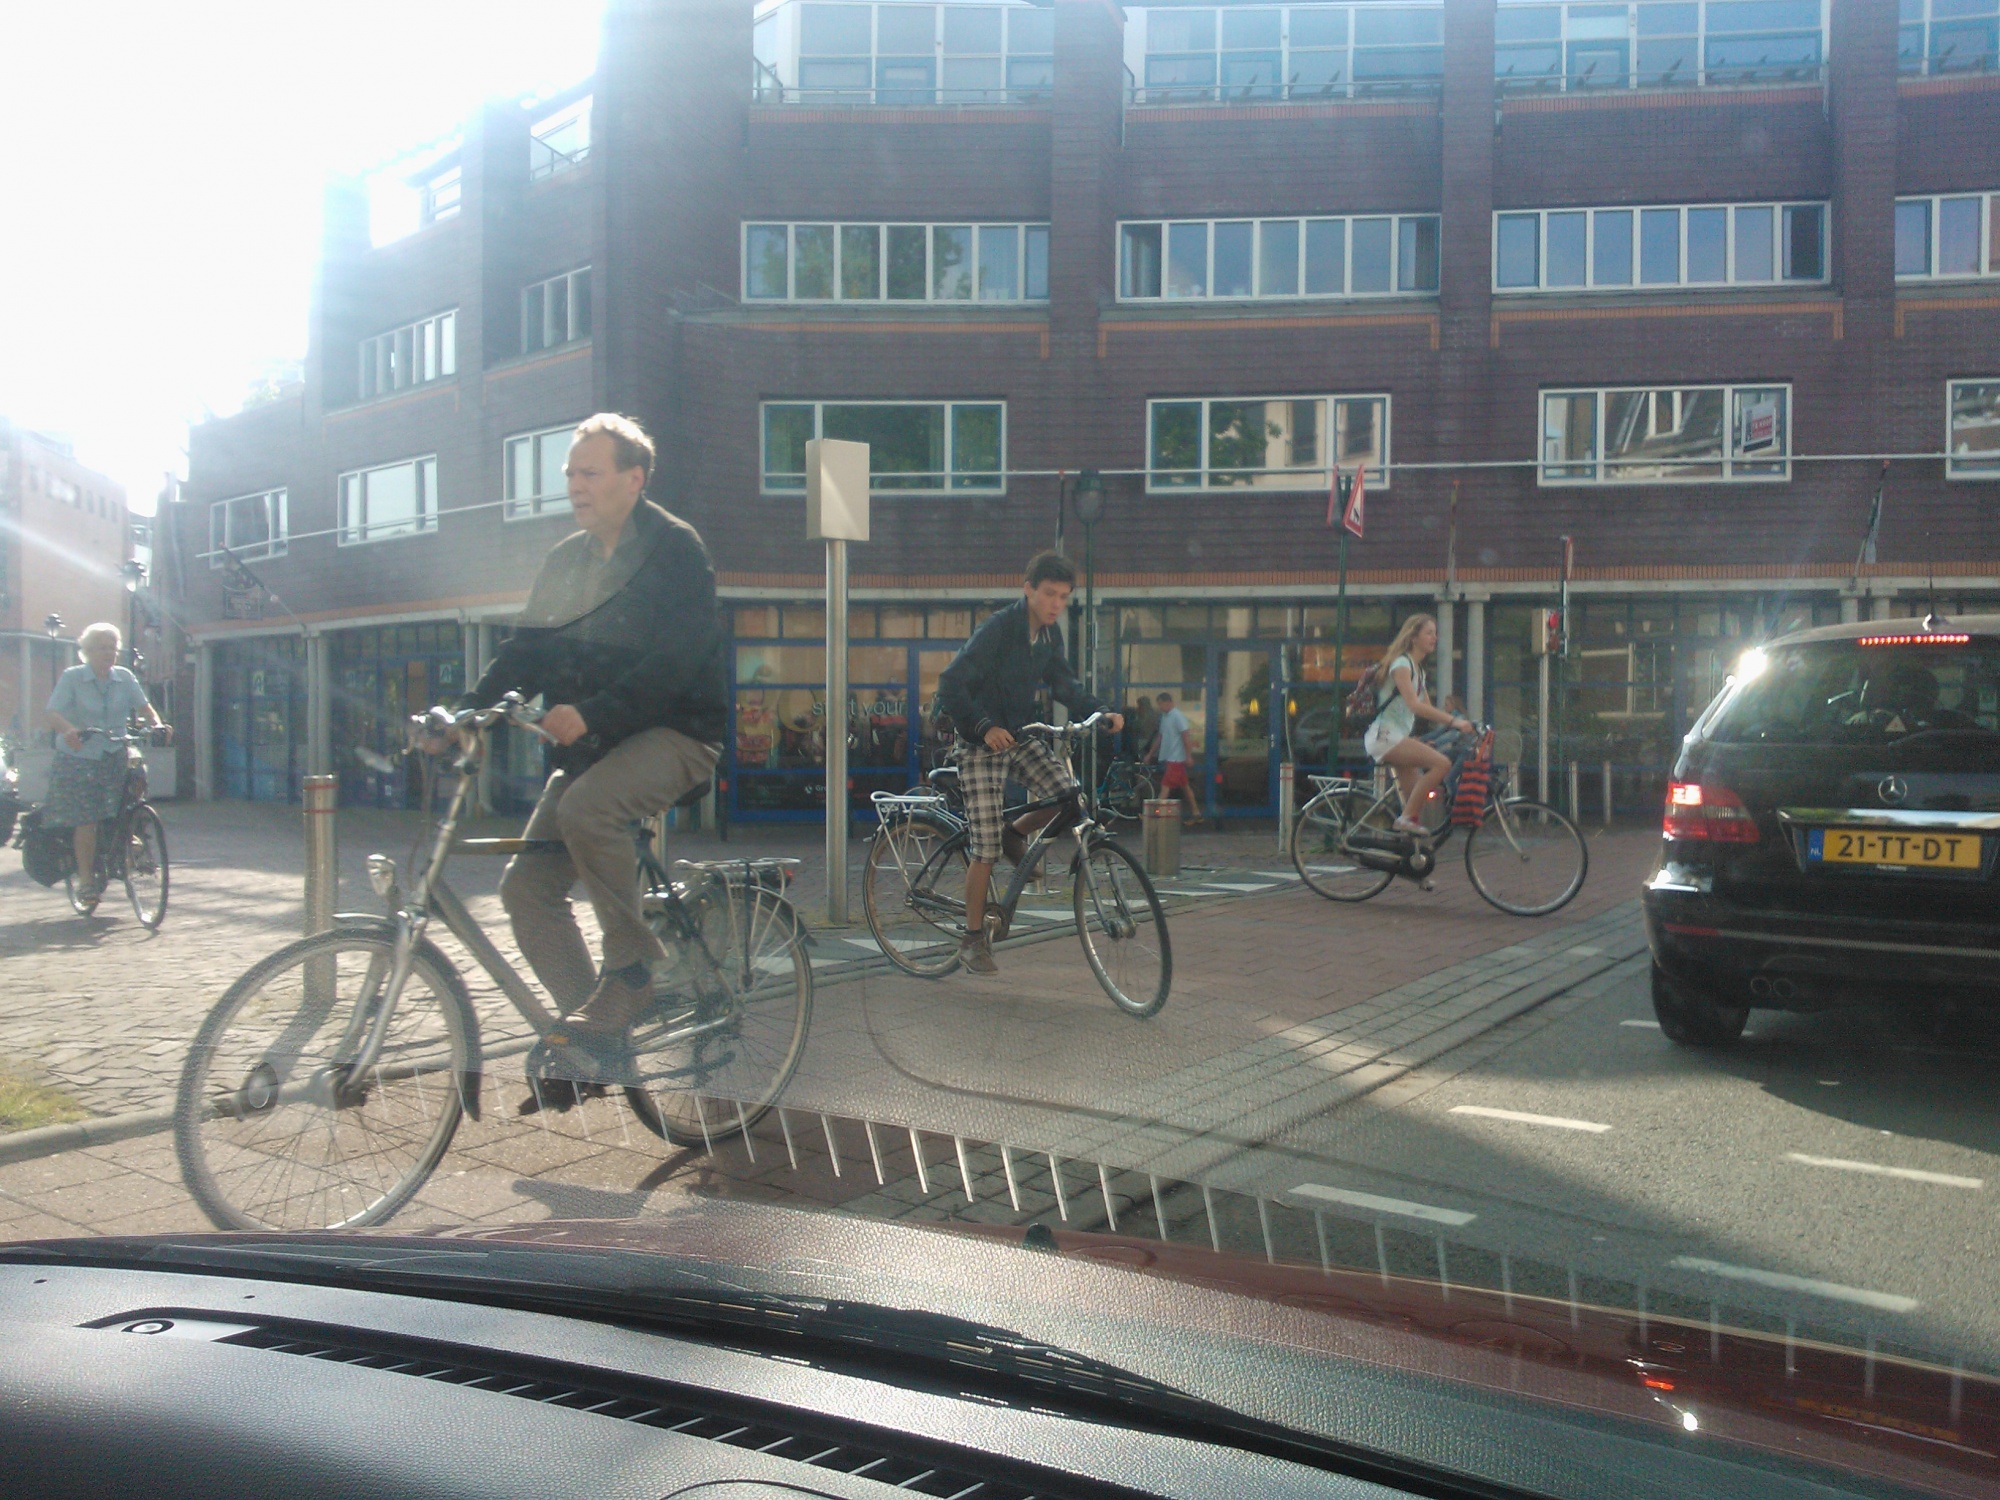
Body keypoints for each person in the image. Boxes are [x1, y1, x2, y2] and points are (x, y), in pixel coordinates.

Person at [454, 413, 729, 1058]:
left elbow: (676, 660)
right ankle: (595, 1034)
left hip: (678, 734)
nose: (575, 485)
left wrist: (594, 711)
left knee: (588, 807)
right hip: (598, 748)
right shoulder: (565, 561)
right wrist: (465, 710)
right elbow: (527, 650)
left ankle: (632, 971)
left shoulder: (675, 548)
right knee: (526, 890)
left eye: (590, 472)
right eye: (570, 474)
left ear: (633, 479)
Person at [936, 552, 1123, 976]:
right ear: (1028, 590)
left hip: (1018, 737)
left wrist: (1102, 711)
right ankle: (971, 939)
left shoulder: (1049, 638)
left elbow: (1065, 685)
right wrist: (983, 727)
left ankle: (1013, 832)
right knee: (982, 846)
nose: (1056, 604)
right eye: (1049, 594)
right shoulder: (1000, 630)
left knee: (1068, 796)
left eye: (1064, 597)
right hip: (980, 742)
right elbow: (951, 683)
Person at [44, 622, 170, 910]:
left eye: (113, 648)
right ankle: (86, 880)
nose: (110, 653)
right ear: (88, 651)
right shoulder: (73, 677)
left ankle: (131, 842)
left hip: (115, 753)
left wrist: (157, 724)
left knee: (126, 805)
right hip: (80, 757)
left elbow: (144, 707)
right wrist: (69, 730)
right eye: (103, 648)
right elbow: (52, 711)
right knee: (87, 817)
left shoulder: (124, 678)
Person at [1363, 613, 1471, 837]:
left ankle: (1410, 854)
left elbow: (1429, 710)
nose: (1434, 638)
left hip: (1396, 736)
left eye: (1435, 633)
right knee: (1442, 764)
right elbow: (1414, 705)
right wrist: (1454, 721)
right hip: (1385, 736)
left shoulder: (1418, 671)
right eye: (1429, 633)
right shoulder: (1402, 664)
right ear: (1414, 637)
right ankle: (1404, 820)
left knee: (1417, 798)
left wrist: (1465, 722)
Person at [1144, 691, 1201, 825]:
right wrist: (1151, 753)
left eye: (1161, 704)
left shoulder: (1178, 717)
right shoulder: (1165, 717)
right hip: (1171, 757)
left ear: (1168, 702)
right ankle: (1196, 812)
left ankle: (1154, 815)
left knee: (1165, 786)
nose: (1159, 707)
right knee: (1185, 787)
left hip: (1176, 758)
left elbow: (1185, 736)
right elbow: (1160, 737)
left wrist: (1188, 756)